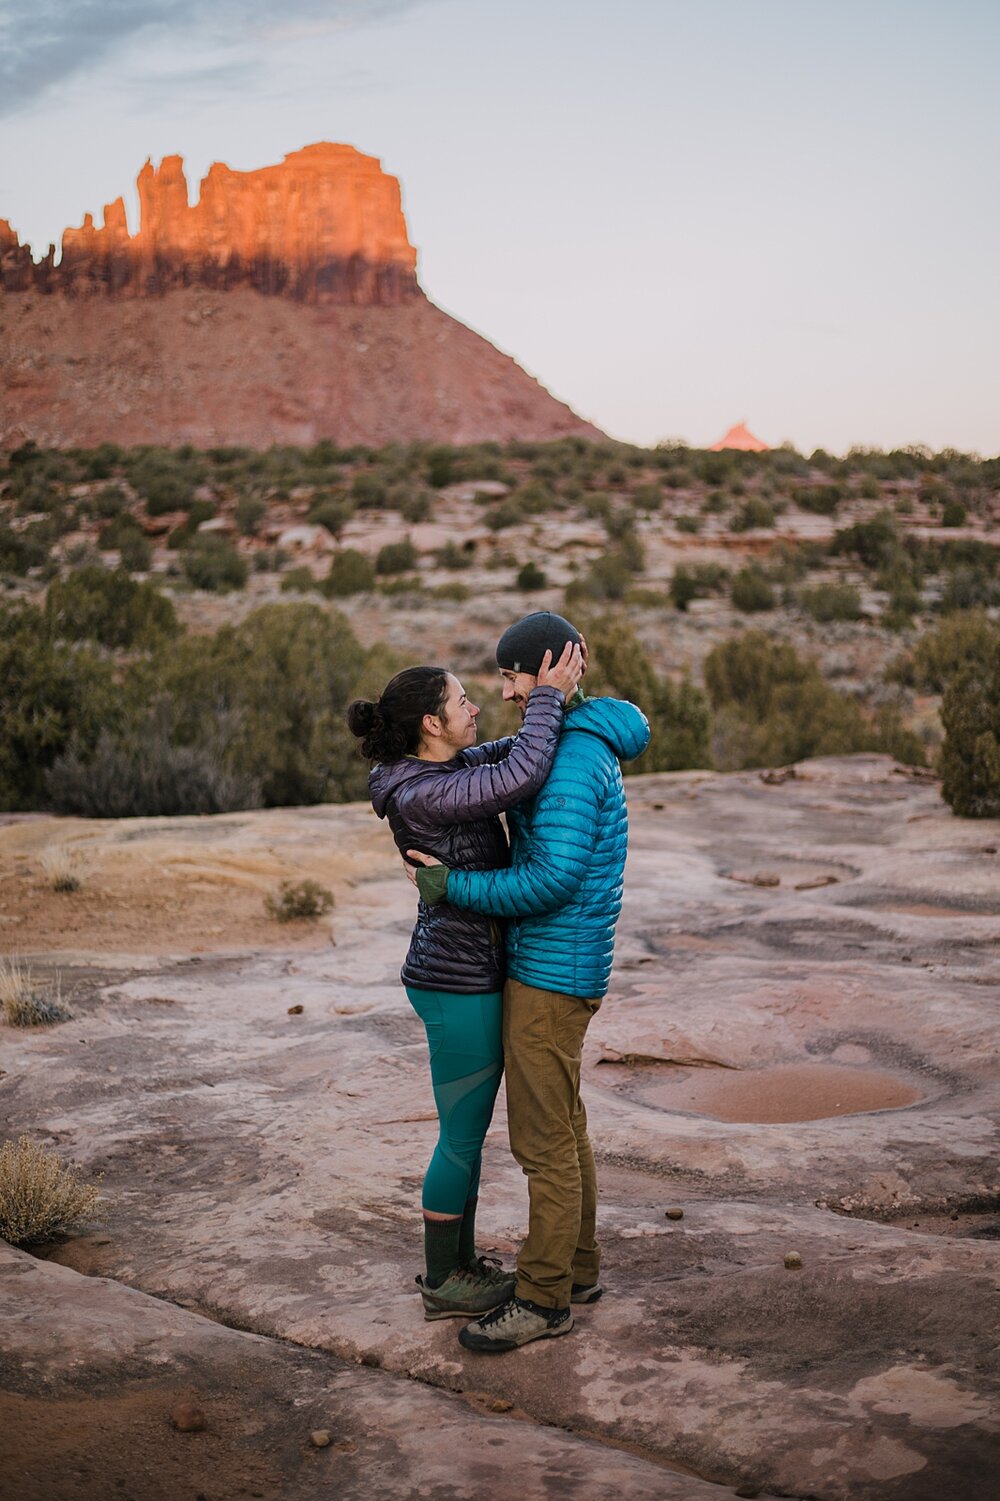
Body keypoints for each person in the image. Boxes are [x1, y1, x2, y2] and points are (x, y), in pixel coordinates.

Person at [408, 610, 650, 1352]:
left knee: (542, 1138)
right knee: (565, 1125)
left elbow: (549, 878)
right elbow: (505, 764)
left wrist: (452, 887)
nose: (507, 691)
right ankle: (576, 1268)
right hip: (556, 963)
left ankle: (543, 1297)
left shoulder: (576, 759)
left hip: (552, 969)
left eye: (513, 676)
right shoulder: (573, 739)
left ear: (542, 667)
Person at [345, 640, 584, 1323]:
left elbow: (509, 758)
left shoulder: (439, 772)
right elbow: (519, 777)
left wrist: (552, 708)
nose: (475, 706)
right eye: (461, 701)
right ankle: (444, 1278)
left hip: (462, 969)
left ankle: (459, 1263)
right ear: (430, 723)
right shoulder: (427, 791)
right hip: (457, 981)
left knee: (466, 1133)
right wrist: (547, 697)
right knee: (460, 1134)